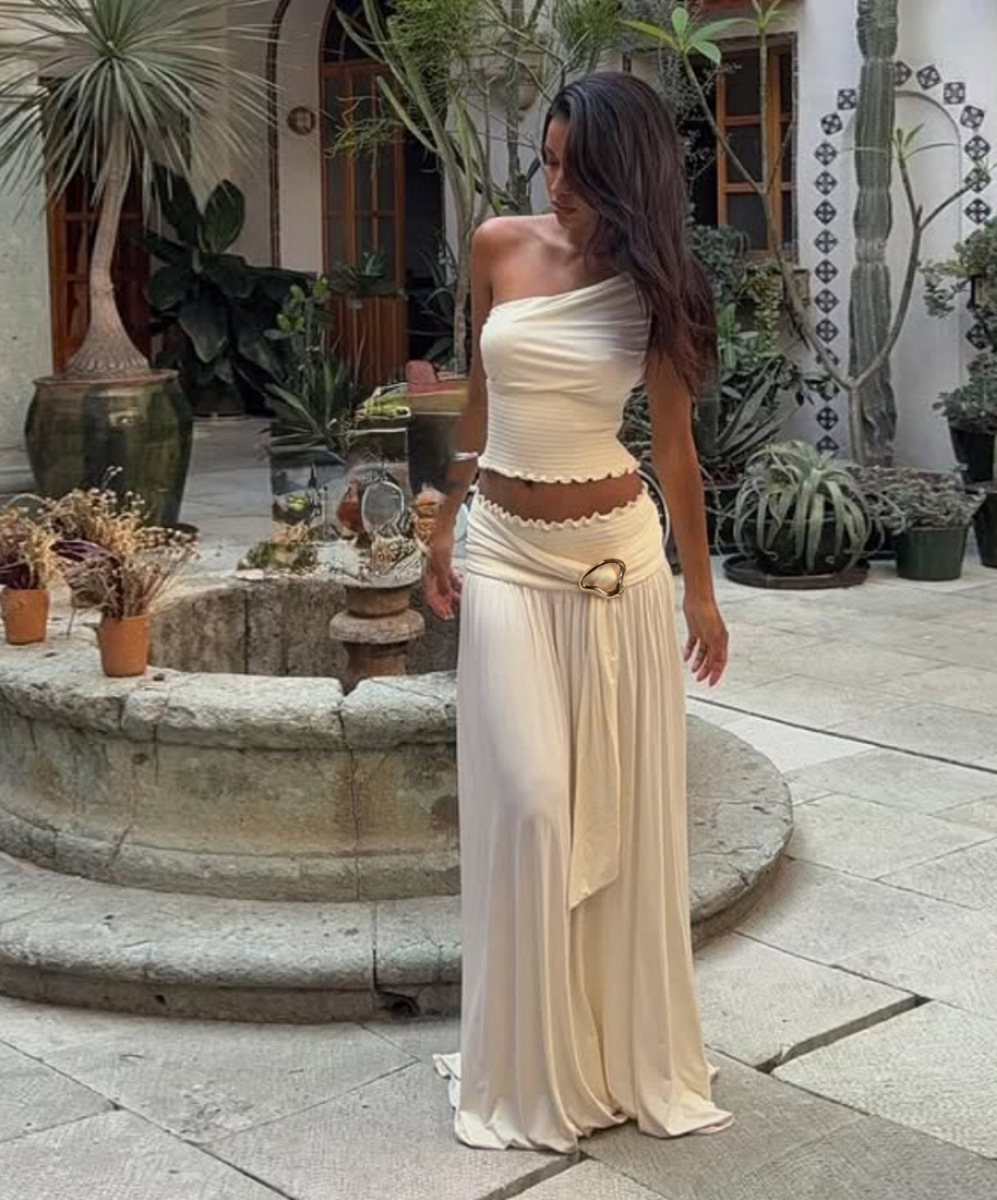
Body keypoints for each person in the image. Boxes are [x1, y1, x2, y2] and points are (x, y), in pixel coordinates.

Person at [425, 70, 734, 1154]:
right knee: (534, 803)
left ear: (626, 170)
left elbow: (676, 452)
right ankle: (531, 1065)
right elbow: (478, 404)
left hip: (617, 567)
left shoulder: (660, 286)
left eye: (577, 168)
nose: (555, 185)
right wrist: (442, 520)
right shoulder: (497, 245)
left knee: (618, 808)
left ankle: (611, 1050)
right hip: (506, 554)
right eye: (548, 161)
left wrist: (701, 589)